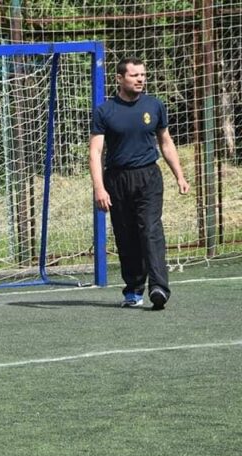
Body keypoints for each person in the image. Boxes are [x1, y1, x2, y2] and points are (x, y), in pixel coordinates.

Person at [89, 57, 190, 310]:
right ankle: (134, 290)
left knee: (150, 230)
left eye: (143, 75)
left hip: (148, 177)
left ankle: (159, 288)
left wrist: (179, 175)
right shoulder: (105, 111)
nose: (140, 79)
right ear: (119, 78)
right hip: (117, 179)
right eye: (134, 75)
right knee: (127, 236)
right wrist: (99, 187)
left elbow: (165, 141)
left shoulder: (154, 105)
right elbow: (95, 152)